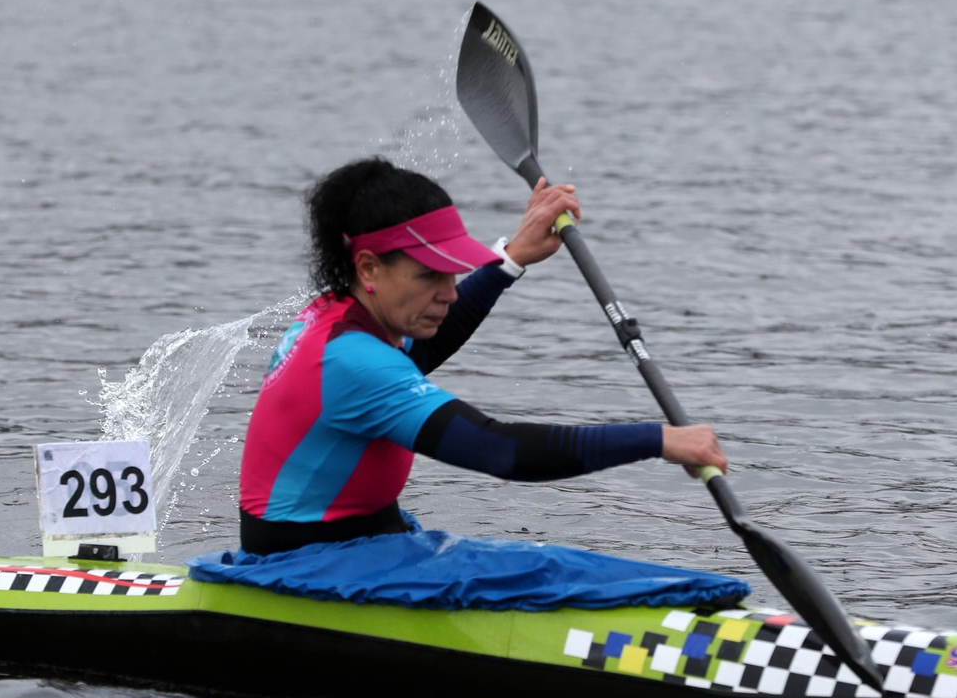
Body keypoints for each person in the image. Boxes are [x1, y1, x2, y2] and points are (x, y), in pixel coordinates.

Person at [237, 157, 728, 555]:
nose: (449, 293)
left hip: (359, 544)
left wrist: (511, 258)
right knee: (553, 570)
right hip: (308, 568)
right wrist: (659, 440)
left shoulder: (337, 314)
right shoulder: (352, 362)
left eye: (452, 274)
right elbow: (502, 451)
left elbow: (424, 347)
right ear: (369, 267)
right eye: (431, 275)